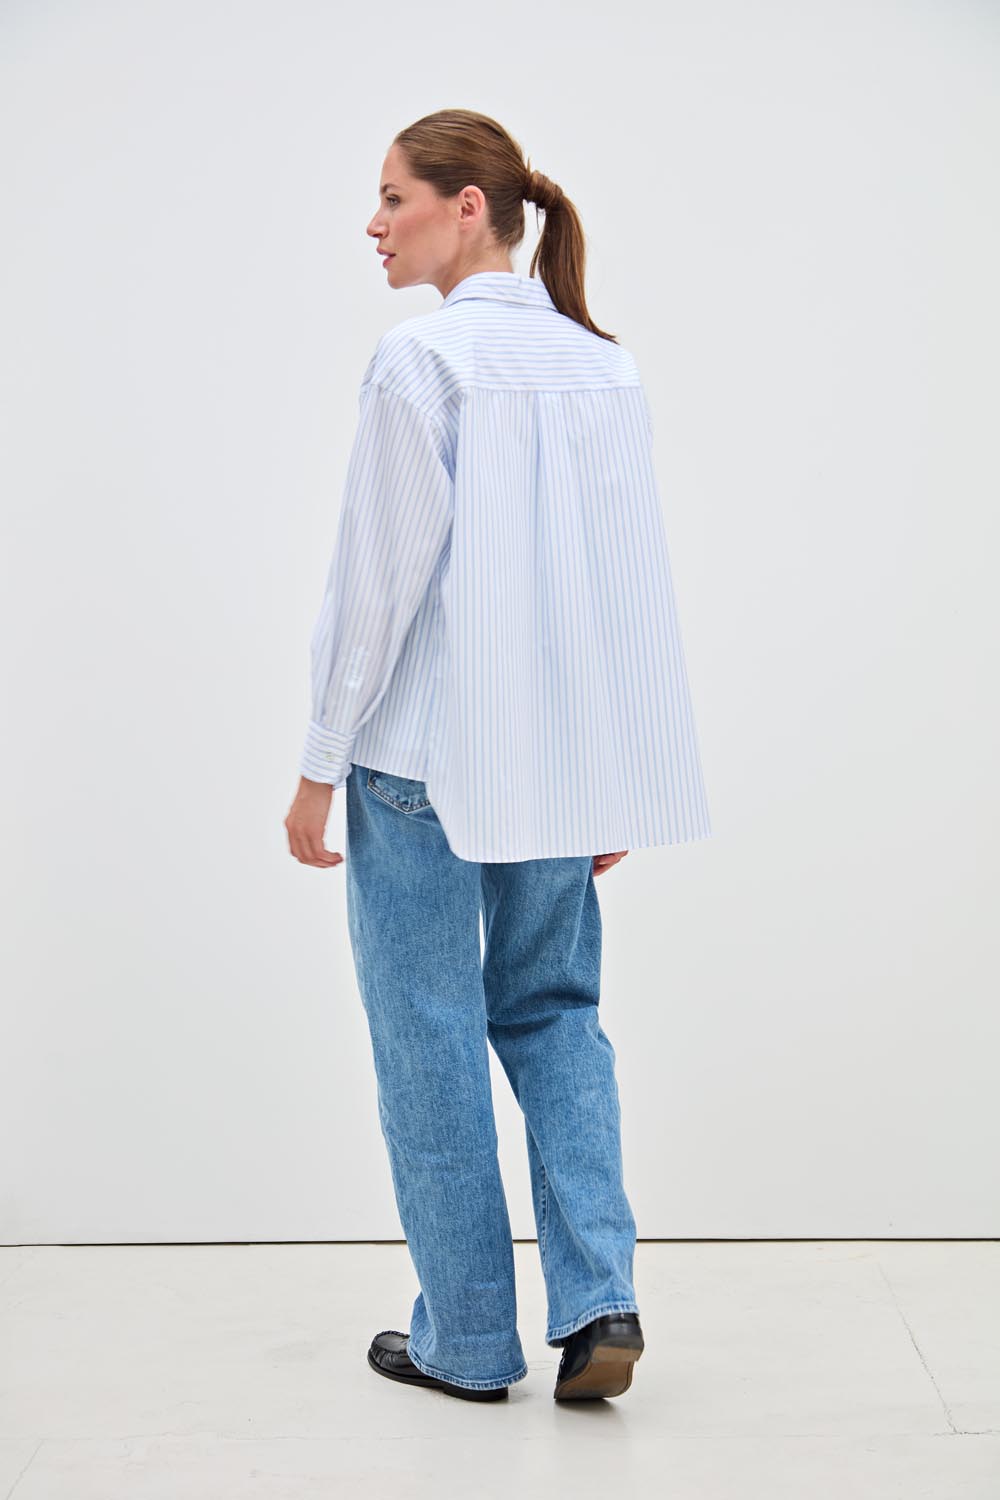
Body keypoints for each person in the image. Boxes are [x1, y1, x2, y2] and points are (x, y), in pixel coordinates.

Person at [284, 109, 711, 1402]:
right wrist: (614, 767)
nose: (374, 223)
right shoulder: (601, 366)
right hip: (556, 766)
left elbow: (376, 586)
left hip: (423, 761)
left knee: (429, 1036)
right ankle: (600, 1301)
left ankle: (467, 1342)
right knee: (557, 1017)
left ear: (468, 206)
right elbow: (622, 584)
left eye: (393, 196)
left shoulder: (422, 361)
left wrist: (318, 764)